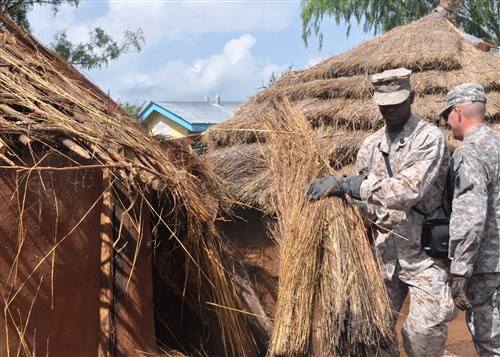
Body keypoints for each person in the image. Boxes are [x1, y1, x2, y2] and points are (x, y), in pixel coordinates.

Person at [307, 68, 457, 356]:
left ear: (411, 98)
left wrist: (350, 184)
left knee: (422, 334)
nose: (390, 109)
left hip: (424, 254)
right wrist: (357, 208)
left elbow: (405, 191)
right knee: (372, 332)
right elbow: (369, 197)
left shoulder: (428, 138)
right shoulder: (370, 144)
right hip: (384, 254)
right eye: (384, 104)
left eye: (397, 103)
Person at [440, 83, 500, 356]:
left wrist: (460, 268)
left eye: (447, 116)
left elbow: (471, 215)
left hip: (489, 267)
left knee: (491, 341)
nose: (447, 122)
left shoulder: (469, 152)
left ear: (458, 112)